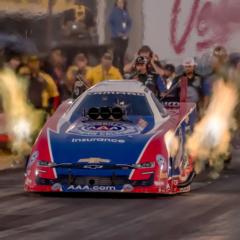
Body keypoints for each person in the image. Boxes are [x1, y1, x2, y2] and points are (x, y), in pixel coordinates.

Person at [108, 0, 132, 72]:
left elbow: (129, 23)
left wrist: (126, 32)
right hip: (116, 37)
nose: (120, 4)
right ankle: (114, 70)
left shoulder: (125, 12)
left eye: (122, 3)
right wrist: (117, 32)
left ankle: (121, 72)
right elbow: (110, 23)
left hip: (124, 38)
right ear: (116, 3)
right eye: (119, 3)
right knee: (116, 54)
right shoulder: (113, 12)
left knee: (122, 54)